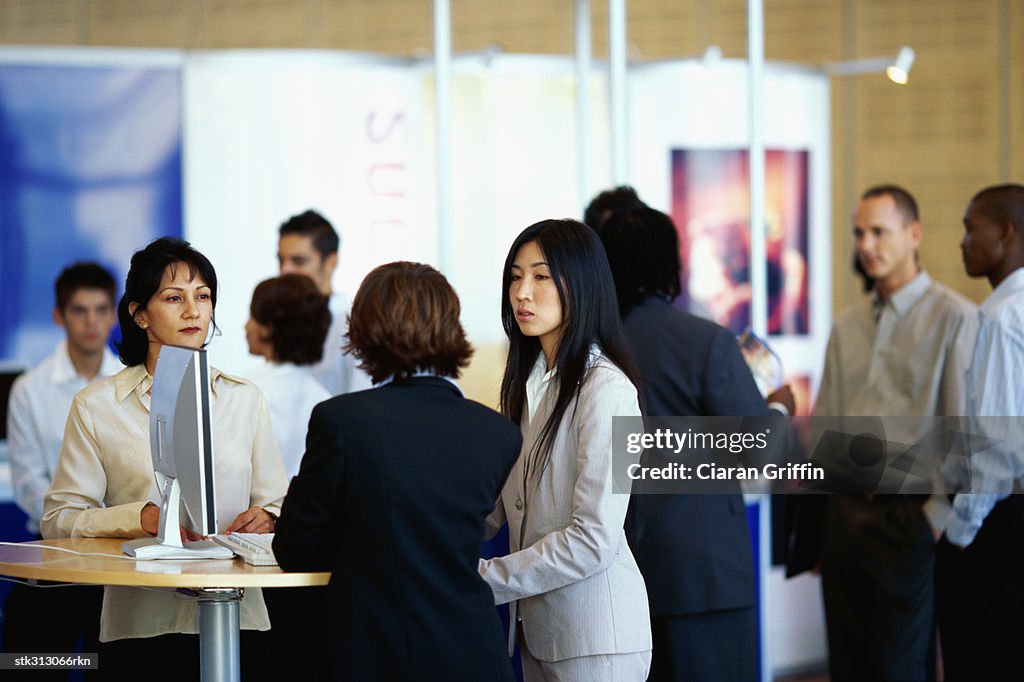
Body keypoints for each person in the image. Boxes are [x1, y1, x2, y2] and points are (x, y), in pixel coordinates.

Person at [41, 237, 287, 679]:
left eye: (203, 296)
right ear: (139, 314)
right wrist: (141, 517)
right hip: (141, 625)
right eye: (174, 298)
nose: (193, 311)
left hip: (240, 616)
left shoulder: (244, 399)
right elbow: (59, 517)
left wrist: (268, 516)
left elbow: (278, 501)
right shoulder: (97, 405)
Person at [272, 261, 521, 681]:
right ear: (450, 327)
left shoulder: (341, 421)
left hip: (373, 655)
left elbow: (295, 550)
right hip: (474, 656)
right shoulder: (499, 433)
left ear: (365, 330)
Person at [596, 204, 794, 682]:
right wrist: (781, 410)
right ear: (671, 263)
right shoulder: (707, 342)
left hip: (616, 572)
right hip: (706, 576)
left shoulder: (592, 346)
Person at [810, 185, 976, 681]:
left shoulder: (956, 318)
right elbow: (826, 426)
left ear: (914, 234)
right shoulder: (846, 325)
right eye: (860, 233)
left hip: (907, 520)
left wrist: (934, 519)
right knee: (848, 665)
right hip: (843, 519)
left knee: (898, 669)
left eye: (879, 232)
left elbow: (961, 431)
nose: (866, 244)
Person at [479, 219, 653, 681]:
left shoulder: (609, 390)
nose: (522, 292)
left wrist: (486, 578)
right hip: (543, 632)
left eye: (540, 276)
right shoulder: (527, 383)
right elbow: (497, 504)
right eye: (515, 276)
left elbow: (594, 539)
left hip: (598, 640)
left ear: (580, 283)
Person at [3, 262, 120, 677]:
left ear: (114, 314)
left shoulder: (130, 384)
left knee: (111, 668)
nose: (92, 322)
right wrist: (77, 523)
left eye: (101, 309)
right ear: (59, 315)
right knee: (31, 666)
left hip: (117, 561)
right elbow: (27, 481)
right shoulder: (29, 390)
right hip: (51, 555)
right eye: (79, 310)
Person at [937, 183, 1024, 681]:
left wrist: (961, 530)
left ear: (1006, 233)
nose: (963, 241)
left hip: (998, 527)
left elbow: (994, 446)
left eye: (972, 228)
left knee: (982, 657)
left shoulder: (1000, 317)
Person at [245, 273, 331, 478]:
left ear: (267, 328)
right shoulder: (325, 399)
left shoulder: (248, 392)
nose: (246, 326)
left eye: (252, 316)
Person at [277, 209, 371, 395]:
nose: (285, 270)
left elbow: (362, 401)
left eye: (299, 261)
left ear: (331, 263)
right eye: (281, 260)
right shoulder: (283, 323)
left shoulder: (353, 325)